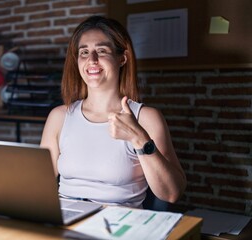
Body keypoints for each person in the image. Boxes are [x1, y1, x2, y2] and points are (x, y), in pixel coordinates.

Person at [40, 15, 186, 208]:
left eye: (101, 50)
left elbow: (172, 193)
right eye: (84, 52)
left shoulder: (146, 117)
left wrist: (139, 139)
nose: (91, 60)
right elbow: (38, 181)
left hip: (118, 224)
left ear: (122, 58)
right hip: (64, 220)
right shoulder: (59, 116)